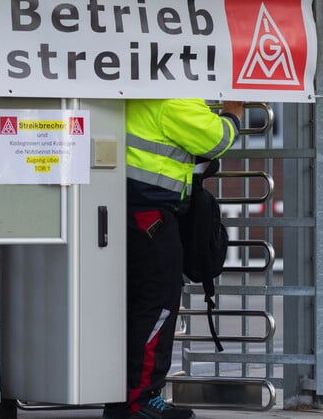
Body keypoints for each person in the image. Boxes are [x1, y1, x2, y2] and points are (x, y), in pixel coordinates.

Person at [105, 98, 244, 419]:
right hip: (151, 214)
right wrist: (234, 111)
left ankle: (122, 397)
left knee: (137, 305)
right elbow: (218, 139)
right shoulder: (173, 98)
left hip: (126, 209)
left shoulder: (132, 91)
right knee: (158, 305)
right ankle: (139, 400)